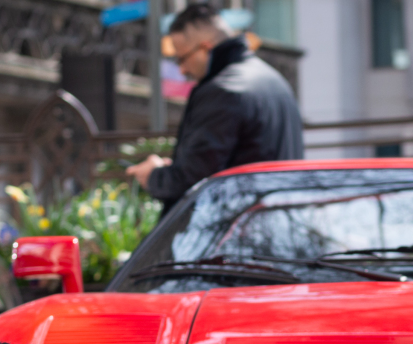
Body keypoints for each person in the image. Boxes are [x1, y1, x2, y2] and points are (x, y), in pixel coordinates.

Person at [126, 3, 303, 215]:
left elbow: (196, 178)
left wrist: (154, 175)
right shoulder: (275, 80)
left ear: (205, 47)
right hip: (278, 218)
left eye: (182, 58)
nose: (182, 70)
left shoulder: (223, 90)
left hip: (237, 228)